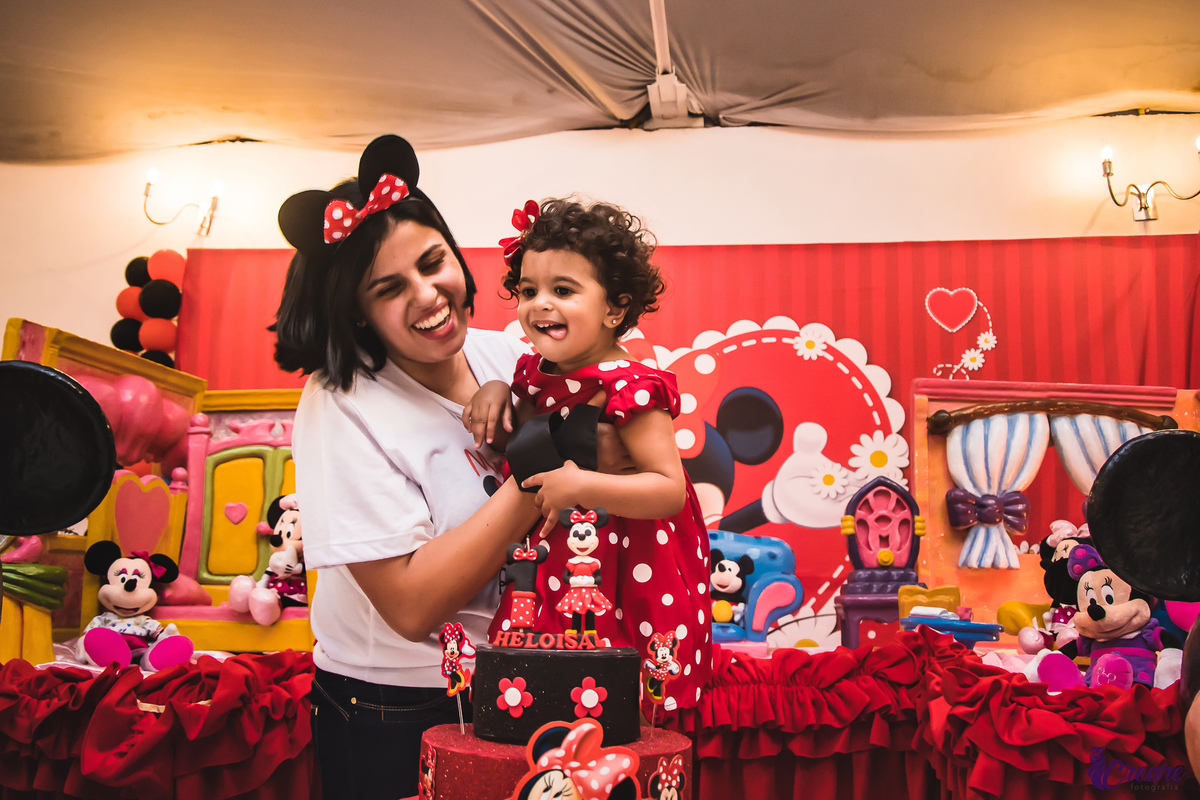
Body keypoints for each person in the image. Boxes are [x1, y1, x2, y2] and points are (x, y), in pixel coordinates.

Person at [272, 137, 628, 800]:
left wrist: (581, 445)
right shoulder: (341, 401)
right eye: (390, 288)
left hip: (528, 684)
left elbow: (621, 438)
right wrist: (544, 470)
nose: (429, 294)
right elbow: (411, 605)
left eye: (434, 262)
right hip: (396, 710)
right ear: (358, 311)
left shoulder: (509, 355)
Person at [464, 198, 712, 711]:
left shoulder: (633, 386)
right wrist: (494, 390)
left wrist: (582, 487)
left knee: (625, 702)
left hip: (630, 567)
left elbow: (667, 490)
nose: (539, 304)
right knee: (549, 692)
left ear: (614, 309)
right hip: (560, 559)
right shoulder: (534, 374)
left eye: (563, 290)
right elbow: (525, 447)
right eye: (528, 291)